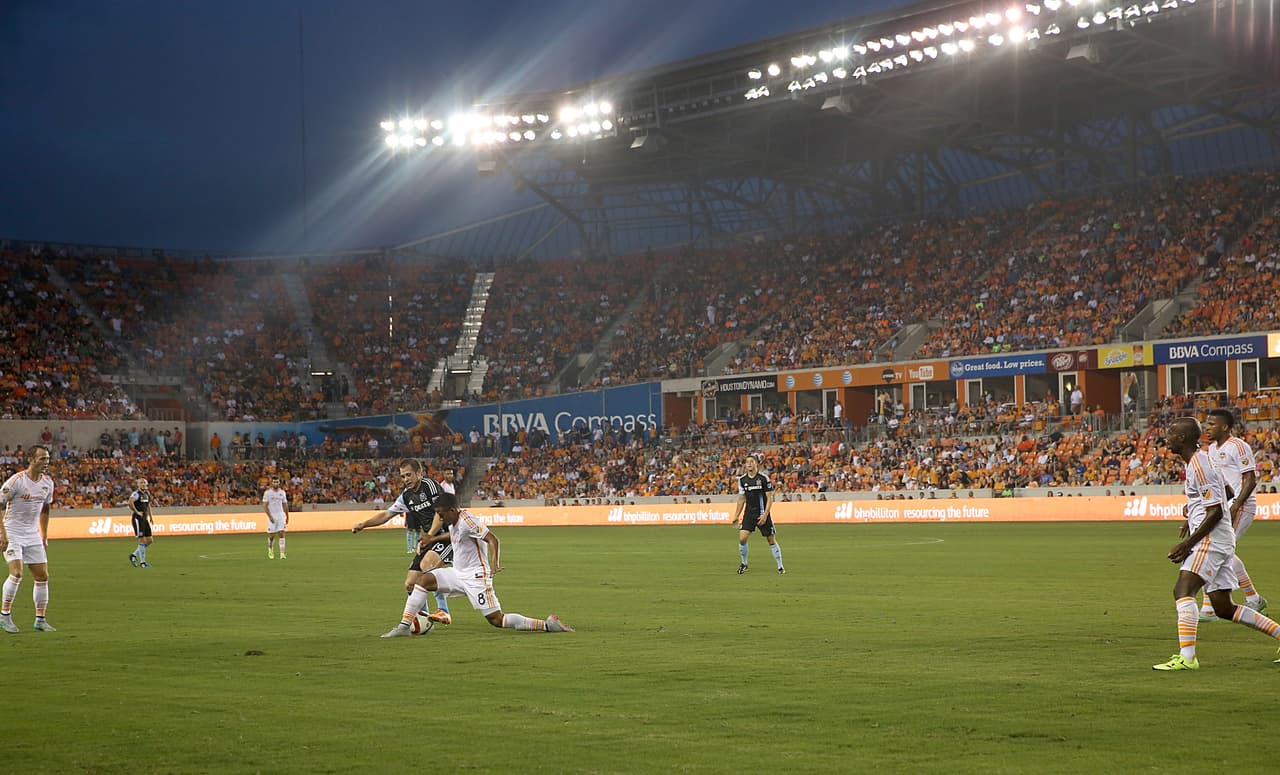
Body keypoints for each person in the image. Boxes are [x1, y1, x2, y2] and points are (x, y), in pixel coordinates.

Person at [1152, 417, 1280, 671]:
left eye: (1171, 433)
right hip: (1218, 538)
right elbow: (1227, 493)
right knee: (1223, 607)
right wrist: (1192, 514)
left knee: (1183, 589)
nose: (1166, 438)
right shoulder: (1202, 460)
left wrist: (1187, 543)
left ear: (1182, 438)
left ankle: (1187, 658)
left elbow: (1216, 513)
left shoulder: (1199, 465)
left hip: (1211, 539)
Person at [379, 492, 573, 637]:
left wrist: (495, 565)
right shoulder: (453, 522)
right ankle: (404, 627)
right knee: (423, 580)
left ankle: (548, 625)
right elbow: (455, 536)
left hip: (476, 576)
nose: (439, 517)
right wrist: (432, 539)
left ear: (452, 510)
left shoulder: (468, 521)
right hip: (458, 573)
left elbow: (493, 539)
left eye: (441, 514)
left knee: (497, 620)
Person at [352, 458, 451, 623]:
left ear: (419, 473)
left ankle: (443, 609)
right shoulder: (406, 496)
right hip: (430, 539)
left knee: (427, 565)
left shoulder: (430, 486)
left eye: (409, 475)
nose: (406, 479)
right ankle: (424, 619)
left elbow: (439, 514)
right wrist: (364, 524)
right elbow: (386, 514)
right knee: (410, 583)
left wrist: (429, 535)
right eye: (403, 476)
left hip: (448, 536)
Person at [1199, 408, 1266, 620]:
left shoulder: (1238, 446)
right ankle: (1247, 599)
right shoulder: (1210, 450)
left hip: (1240, 505)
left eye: (1212, 424)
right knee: (1214, 550)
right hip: (1222, 506)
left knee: (1218, 551)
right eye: (1207, 424)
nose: (1207, 428)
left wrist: (1237, 504)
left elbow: (1250, 479)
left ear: (1225, 427)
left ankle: (1214, 605)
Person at [0, 445, 56, 633]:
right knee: (16, 573)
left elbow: (46, 508)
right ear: (31, 459)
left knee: (42, 576)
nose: (46, 462)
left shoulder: (47, 483)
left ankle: (40, 619)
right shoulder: (17, 481)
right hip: (12, 531)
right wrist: (2, 533)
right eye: (42, 459)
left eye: (47, 459)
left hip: (32, 534)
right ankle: (4, 615)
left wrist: (44, 534)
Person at [731, 455, 784, 575]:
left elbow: (769, 498)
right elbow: (741, 499)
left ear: (756, 464)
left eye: (751, 461)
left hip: (762, 513)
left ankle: (780, 566)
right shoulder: (742, 480)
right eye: (747, 462)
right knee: (742, 538)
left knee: (771, 540)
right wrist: (736, 515)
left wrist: (765, 515)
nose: (749, 464)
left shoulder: (764, 478)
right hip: (749, 514)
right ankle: (744, 563)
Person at [128, 477, 154, 568]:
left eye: (144, 482)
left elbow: (148, 505)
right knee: (142, 540)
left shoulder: (147, 494)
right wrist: (137, 512)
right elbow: (130, 503)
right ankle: (143, 563)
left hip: (144, 519)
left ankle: (134, 555)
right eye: (141, 483)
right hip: (138, 519)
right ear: (138, 484)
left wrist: (150, 516)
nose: (143, 484)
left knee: (150, 540)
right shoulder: (136, 494)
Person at [262, 475, 290, 559]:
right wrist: (270, 516)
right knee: (272, 535)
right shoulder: (268, 493)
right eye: (274, 482)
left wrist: (287, 515)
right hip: (272, 515)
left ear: (279, 483)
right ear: (272, 483)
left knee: (281, 533)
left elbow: (285, 504)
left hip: (281, 515)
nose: (276, 483)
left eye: (277, 482)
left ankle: (282, 553)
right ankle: (270, 549)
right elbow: (265, 506)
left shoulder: (282, 492)